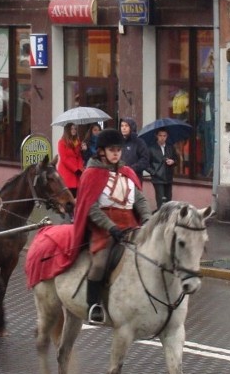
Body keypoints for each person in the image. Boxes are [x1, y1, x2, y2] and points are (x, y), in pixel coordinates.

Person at [72, 128, 151, 324]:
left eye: (118, 149)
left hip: (131, 225)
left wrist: (148, 219)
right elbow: (90, 207)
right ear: (101, 152)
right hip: (104, 229)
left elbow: (139, 200)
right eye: (112, 150)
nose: (116, 153)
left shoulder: (128, 172)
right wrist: (110, 227)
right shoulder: (91, 174)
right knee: (100, 263)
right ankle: (93, 305)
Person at [148, 128, 178, 210]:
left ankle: (168, 218)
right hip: (158, 178)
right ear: (156, 136)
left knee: (169, 201)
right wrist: (153, 172)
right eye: (160, 135)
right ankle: (160, 219)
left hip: (168, 177)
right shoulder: (151, 148)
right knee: (160, 201)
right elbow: (146, 163)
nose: (162, 138)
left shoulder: (170, 147)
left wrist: (173, 161)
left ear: (167, 136)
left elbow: (176, 159)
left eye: (164, 136)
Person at [56, 123, 84, 197]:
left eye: (75, 129)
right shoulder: (61, 142)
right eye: (72, 129)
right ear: (67, 130)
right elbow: (64, 159)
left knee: (77, 196)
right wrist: (75, 169)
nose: (74, 130)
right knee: (68, 196)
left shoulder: (78, 142)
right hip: (66, 172)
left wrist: (80, 168)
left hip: (77, 173)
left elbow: (79, 156)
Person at [119, 117, 150, 181]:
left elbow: (145, 160)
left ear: (132, 127)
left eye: (126, 126)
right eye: (122, 126)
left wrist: (131, 169)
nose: (123, 128)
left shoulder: (139, 142)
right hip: (120, 177)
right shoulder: (118, 142)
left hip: (135, 177)